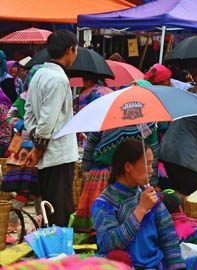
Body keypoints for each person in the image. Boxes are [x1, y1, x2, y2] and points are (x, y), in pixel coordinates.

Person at [92, 139, 184, 269]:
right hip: (123, 266)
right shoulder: (104, 203)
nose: (151, 170)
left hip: (156, 265)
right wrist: (141, 209)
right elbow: (110, 244)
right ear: (128, 166)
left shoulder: (150, 196)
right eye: (147, 164)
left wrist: (177, 267)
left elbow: (168, 236)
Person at [23, 30, 80, 227]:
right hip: (58, 154)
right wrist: (38, 149)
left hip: (48, 153)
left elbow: (29, 113)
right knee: (59, 207)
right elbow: (48, 119)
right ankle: (58, 252)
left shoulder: (39, 74)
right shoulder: (58, 79)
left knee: (50, 205)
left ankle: (54, 248)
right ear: (70, 50)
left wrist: (36, 143)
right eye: (76, 50)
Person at [74, 124, 158, 231]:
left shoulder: (148, 121)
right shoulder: (108, 117)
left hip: (135, 176)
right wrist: (86, 168)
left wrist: (152, 181)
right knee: (99, 224)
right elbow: (91, 141)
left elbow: (152, 151)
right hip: (102, 174)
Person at [159, 75, 197, 195]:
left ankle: (177, 213)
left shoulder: (195, 98)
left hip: (169, 152)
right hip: (185, 156)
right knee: (195, 197)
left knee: (177, 192)